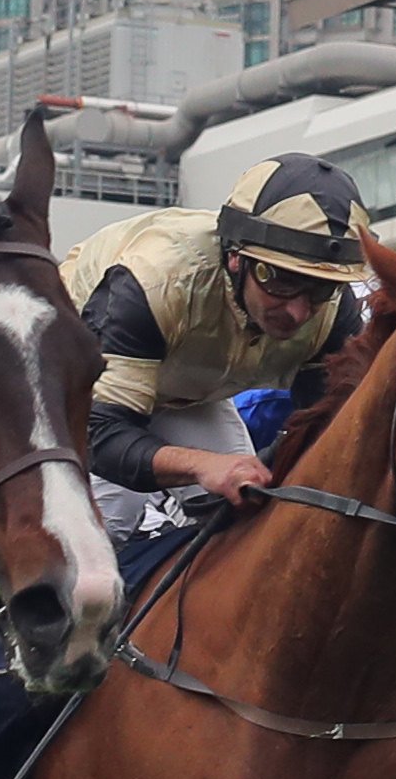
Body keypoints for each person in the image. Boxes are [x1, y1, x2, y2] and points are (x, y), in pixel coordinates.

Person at [58, 153, 377, 536]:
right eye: (279, 279)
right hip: (70, 385)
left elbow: (328, 429)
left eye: (320, 288)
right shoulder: (152, 283)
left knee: (243, 514)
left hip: (183, 388)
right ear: (235, 258)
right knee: (107, 524)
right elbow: (100, 433)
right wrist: (200, 465)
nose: (296, 311)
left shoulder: (335, 313)